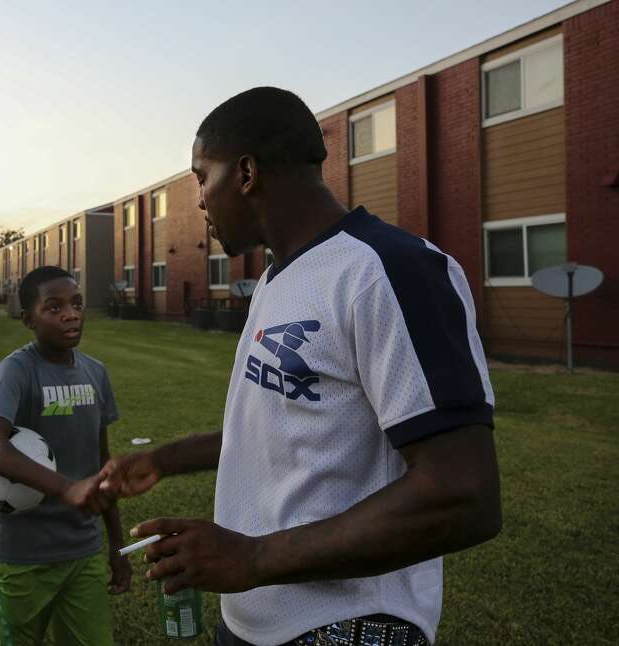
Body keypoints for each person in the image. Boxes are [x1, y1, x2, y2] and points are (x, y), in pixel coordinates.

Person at [100, 87, 501, 646]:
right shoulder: (277, 278)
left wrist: (256, 556)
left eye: (201, 176)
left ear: (245, 173)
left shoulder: (389, 270)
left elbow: (464, 493)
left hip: (347, 627)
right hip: (254, 618)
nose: (199, 200)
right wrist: (164, 459)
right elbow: (287, 424)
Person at [0, 265, 131, 646]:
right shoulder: (17, 370)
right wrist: (65, 488)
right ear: (29, 319)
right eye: (54, 307)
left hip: (83, 550)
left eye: (76, 304)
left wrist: (116, 545)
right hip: (22, 557)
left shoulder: (96, 373)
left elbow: (101, 464)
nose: (71, 314)